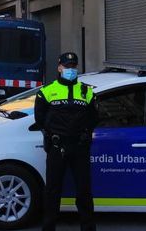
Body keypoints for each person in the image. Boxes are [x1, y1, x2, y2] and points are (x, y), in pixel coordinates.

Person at [34, 52, 98, 231]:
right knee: (53, 191)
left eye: (73, 66)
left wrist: (86, 134)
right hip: (57, 146)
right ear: (59, 67)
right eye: (67, 66)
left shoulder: (87, 91)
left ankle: (88, 228)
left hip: (80, 147)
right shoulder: (46, 92)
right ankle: (48, 227)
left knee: (84, 192)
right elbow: (40, 119)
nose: (71, 70)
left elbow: (94, 118)